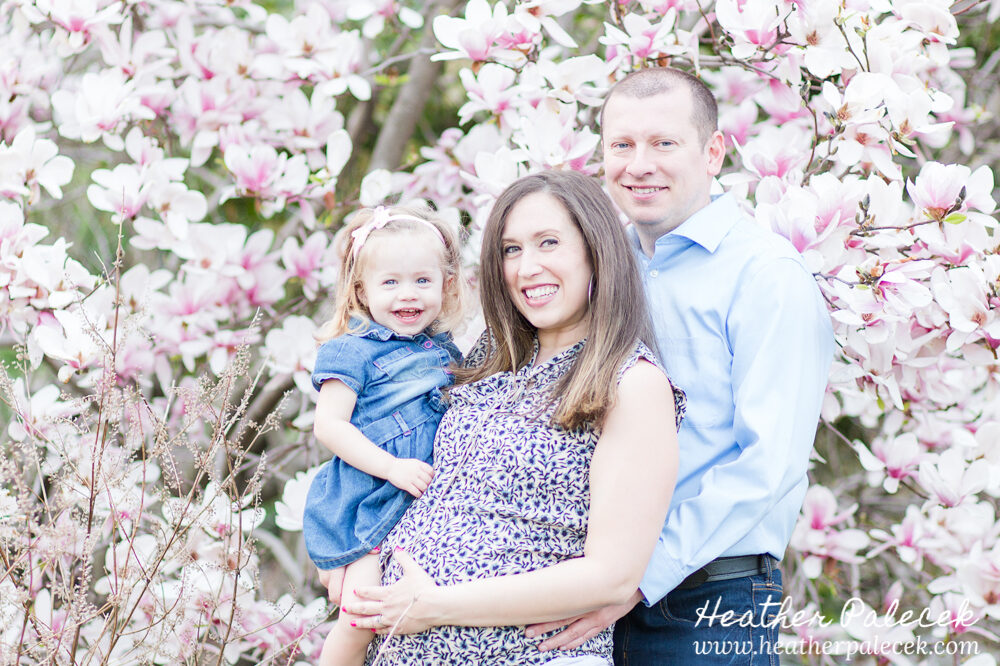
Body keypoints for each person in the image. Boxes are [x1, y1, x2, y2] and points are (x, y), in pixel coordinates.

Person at [525, 67, 836, 664]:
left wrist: (639, 577)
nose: (639, 165)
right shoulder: (601, 269)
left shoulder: (766, 278)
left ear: (713, 151)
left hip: (708, 594)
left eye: (664, 143)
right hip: (586, 585)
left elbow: (767, 464)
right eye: (622, 145)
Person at [342, 170, 686, 665]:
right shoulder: (491, 360)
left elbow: (612, 574)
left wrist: (436, 607)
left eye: (548, 243)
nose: (527, 268)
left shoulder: (631, 383)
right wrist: (349, 554)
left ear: (596, 250)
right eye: (511, 250)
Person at [303, 204, 467, 666]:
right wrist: (391, 467)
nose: (407, 295)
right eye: (390, 283)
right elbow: (329, 426)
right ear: (362, 290)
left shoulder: (444, 351)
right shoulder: (351, 353)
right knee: (361, 616)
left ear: (445, 284)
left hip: (415, 504)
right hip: (363, 500)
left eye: (422, 280)